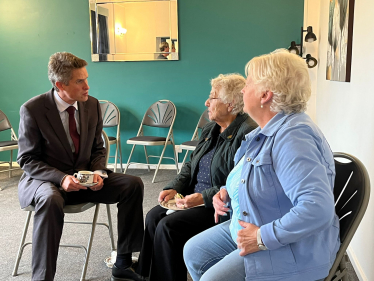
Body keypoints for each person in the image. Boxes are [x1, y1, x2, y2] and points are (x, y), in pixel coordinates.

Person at [184, 50, 340, 281]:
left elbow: (317, 208)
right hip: (251, 224)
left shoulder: (293, 137)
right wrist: (227, 192)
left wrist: (261, 237)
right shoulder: (266, 130)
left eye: (248, 84)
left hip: (286, 246)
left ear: (265, 95)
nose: (243, 90)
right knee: (194, 251)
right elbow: (256, 177)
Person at [17, 52, 145, 281]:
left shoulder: (92, 105)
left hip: (83, 179)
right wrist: (61, 178)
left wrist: (98, 173)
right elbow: (27, 160)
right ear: (60, 85)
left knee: (132, 184)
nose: (87, 86)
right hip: (45, 182)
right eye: (80, 81)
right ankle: (42, 278)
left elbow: (98, 149)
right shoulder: (33, 109)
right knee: (49, 199)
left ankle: (123, 262)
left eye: (86, 79)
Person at [135, 73, 258, 281]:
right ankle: (146, 276)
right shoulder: (211, 128)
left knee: (168, 226)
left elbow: (238, 182)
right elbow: (190, 164)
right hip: (193, 196)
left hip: (219, 205)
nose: (206, 102)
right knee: (153, 216)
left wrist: (203, 198)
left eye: (213, 97)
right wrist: (174, 186)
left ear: (230, 104)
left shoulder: (247, 132)